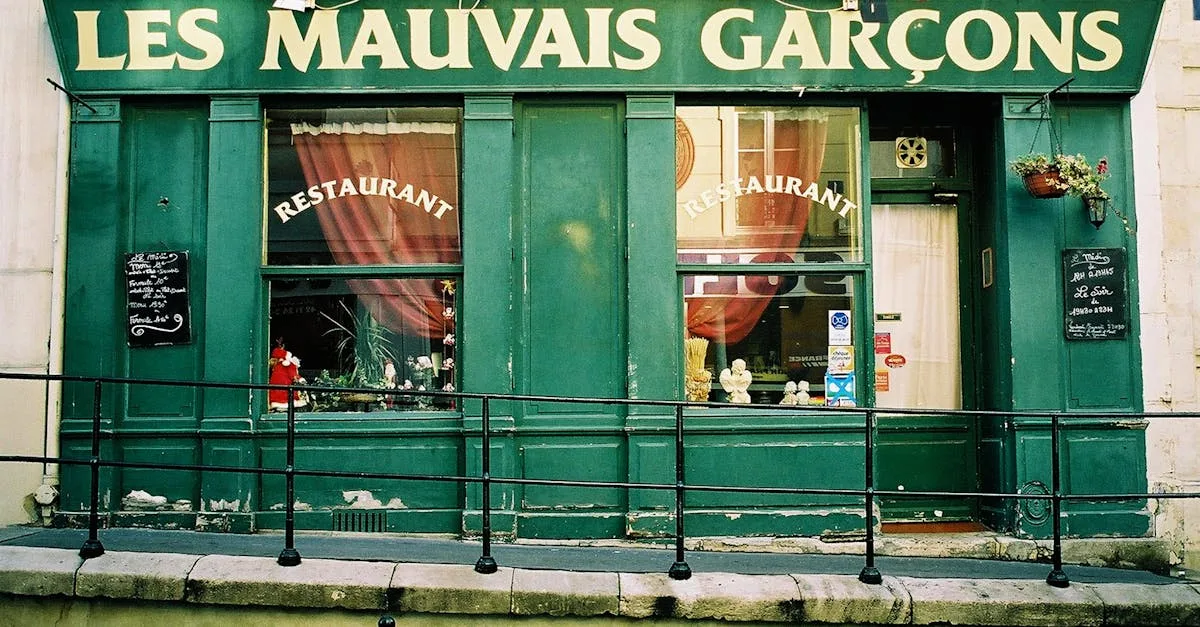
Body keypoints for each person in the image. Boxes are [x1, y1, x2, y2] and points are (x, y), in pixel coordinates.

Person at [268, 343, 307, 411]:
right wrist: (301, 380)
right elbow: (294, 376)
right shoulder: (289, 365)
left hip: (275, 393)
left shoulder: (276, 367)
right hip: (286, 393)